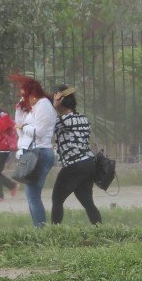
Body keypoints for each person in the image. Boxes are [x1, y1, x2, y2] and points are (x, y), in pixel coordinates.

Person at [10, 74, 58, 227]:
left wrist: (24, 127)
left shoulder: (43, 105)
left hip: (40, 153)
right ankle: (38, 227)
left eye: (25, 95)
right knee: (31, 195)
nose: (24, 98)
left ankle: (40, 229)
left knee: (33, 196)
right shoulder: (37, 106)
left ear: (33, 94)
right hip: (35, 152)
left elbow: (40, 132)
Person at [51, 85, 102, 225]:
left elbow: (47, 126)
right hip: (89, 164)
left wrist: (54, 107)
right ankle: (101, 230)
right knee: (87, 202)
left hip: (74, 165)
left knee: (57, 200)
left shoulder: (62, 121)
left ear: (60, 102)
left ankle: (54, 233)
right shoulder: (83, 118)